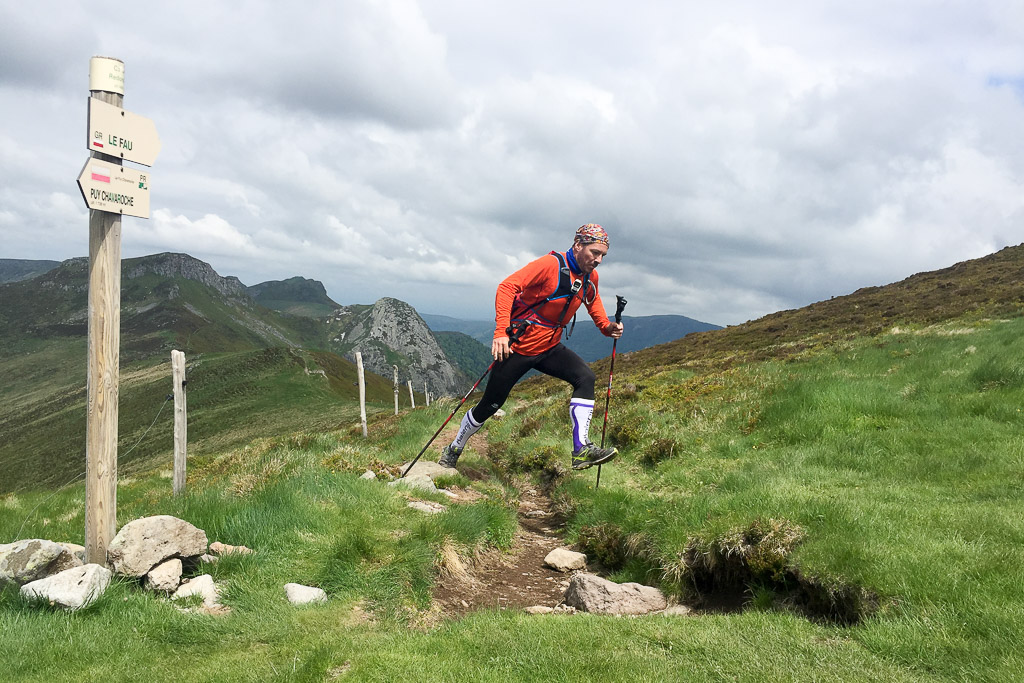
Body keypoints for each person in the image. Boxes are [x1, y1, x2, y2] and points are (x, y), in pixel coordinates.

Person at [438, 223, 624, 471]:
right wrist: (501, 333)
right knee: (490, 405)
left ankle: (581, 450)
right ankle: (455, 447)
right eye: (594, 252)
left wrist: (606, 327)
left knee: (585, 378)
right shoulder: (549, 265)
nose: (599, 260)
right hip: (519, 347)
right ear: (578, 245)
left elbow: (592, 300)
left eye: (603, 255)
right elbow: (507, 286)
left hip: (550, 347)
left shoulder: (590, 276)